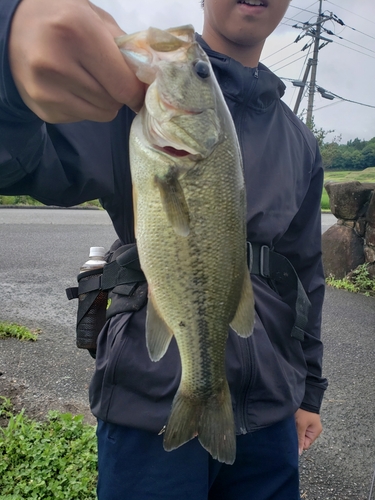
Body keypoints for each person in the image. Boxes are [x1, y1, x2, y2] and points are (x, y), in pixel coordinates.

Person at [0, 0, 327, 498]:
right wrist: (8, 61)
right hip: (148, 405)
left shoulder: (300, 142)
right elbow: (21, 163)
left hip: (272, 413)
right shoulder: (128, 103)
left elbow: (307, 274)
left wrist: (309, 393)